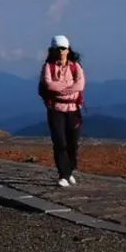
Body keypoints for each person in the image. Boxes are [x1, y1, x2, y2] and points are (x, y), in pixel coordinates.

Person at [38, 34, 85, 188]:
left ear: (68, 49)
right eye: (57, 49)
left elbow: (80, 85)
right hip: (56, 110)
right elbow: (49, 85)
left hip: (73, 110)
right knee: (59, 142)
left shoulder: (75, 66)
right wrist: (68, 89)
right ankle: (63, 174)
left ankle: (69, 170)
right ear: (52, 50)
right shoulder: (48, 67)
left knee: (73, 143)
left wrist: (62, 90)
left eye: (63, 48)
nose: (60, 51)